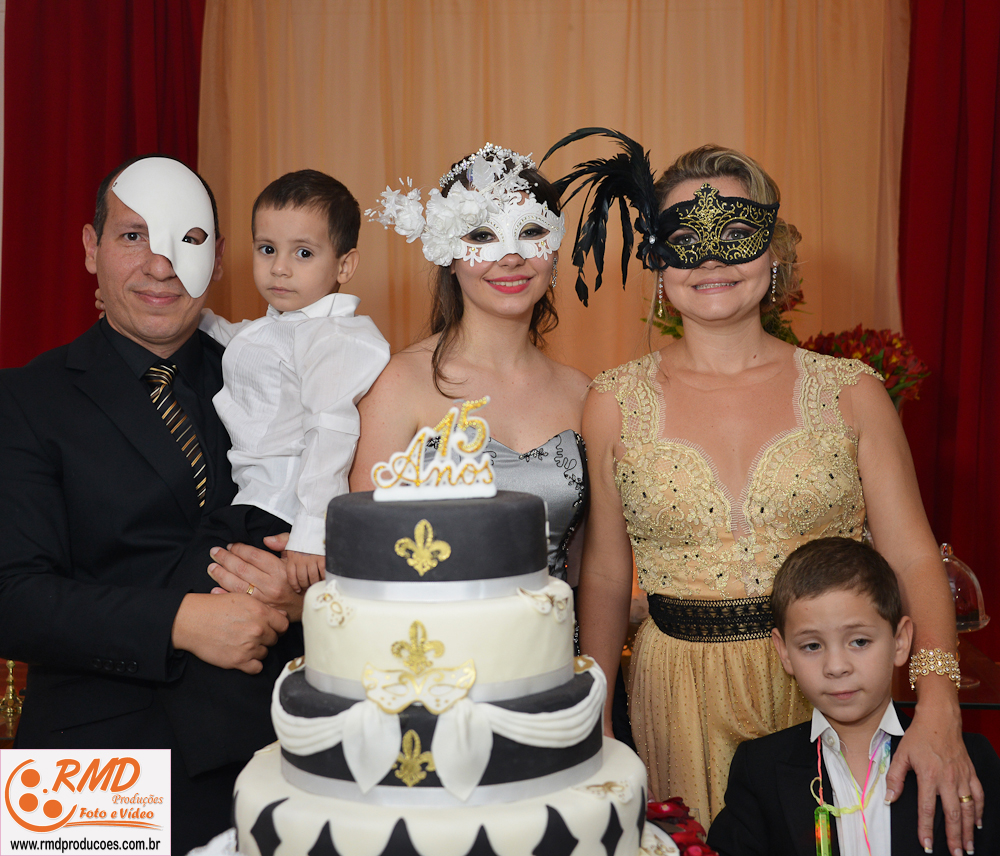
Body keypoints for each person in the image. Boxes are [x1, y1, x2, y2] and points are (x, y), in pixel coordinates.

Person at [545, 131, 980, 851]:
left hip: (830, 683)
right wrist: (597, 718)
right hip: (677, 690)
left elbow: (910, 557)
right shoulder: (613, 402)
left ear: (773, 252)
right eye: (686, 239)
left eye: (736, 235)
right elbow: (605, 575)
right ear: (656, 259)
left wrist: (939, 701)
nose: (712, 258)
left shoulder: (852, 393)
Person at [0, 155, 302, 853]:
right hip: (92, 769)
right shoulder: (25, 400)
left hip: (272, 753)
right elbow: (13, 598)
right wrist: (181, 622)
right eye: (133, 236)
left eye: (187, 240)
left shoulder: (282, 386)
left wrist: (302, 596)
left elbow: (341, 543)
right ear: (91, 248)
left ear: (218, 259)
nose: (160, 265)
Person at [350, 143, 590, 583]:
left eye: (531, 231)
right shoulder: (398, 383)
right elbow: (368, 551)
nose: (511, 257)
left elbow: (588, 568)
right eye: (481, 236)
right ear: (447, 255)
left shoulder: (582, 393)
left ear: (554, 249)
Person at [708, 537, 999, 856]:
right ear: (784, 652)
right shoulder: (759, 768)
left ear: (900, 641)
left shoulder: (969, 758)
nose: (836, 667)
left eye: (859, 641)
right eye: (812, 646)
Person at [197, 170, 389, 591]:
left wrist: (313, 532)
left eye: (303, 253)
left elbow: (330, 432)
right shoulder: (279, 326)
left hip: (283, 513)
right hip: (249, 502)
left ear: (344, 265)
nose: (279, 268)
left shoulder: (335, 337)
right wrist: (161, 311)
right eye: (267, 249)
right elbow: (233, 337)